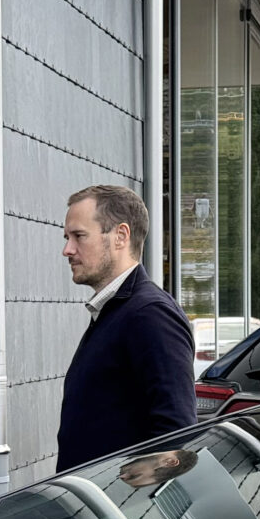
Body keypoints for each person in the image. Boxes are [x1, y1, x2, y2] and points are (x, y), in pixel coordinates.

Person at [53, 183, 197, 471]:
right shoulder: (118, 311)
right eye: (67, 237)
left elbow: (176, 433)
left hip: (118, 509)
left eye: (79, 236)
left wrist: (126, 500)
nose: (67, 250)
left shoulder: (150, 314)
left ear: (120, 236)